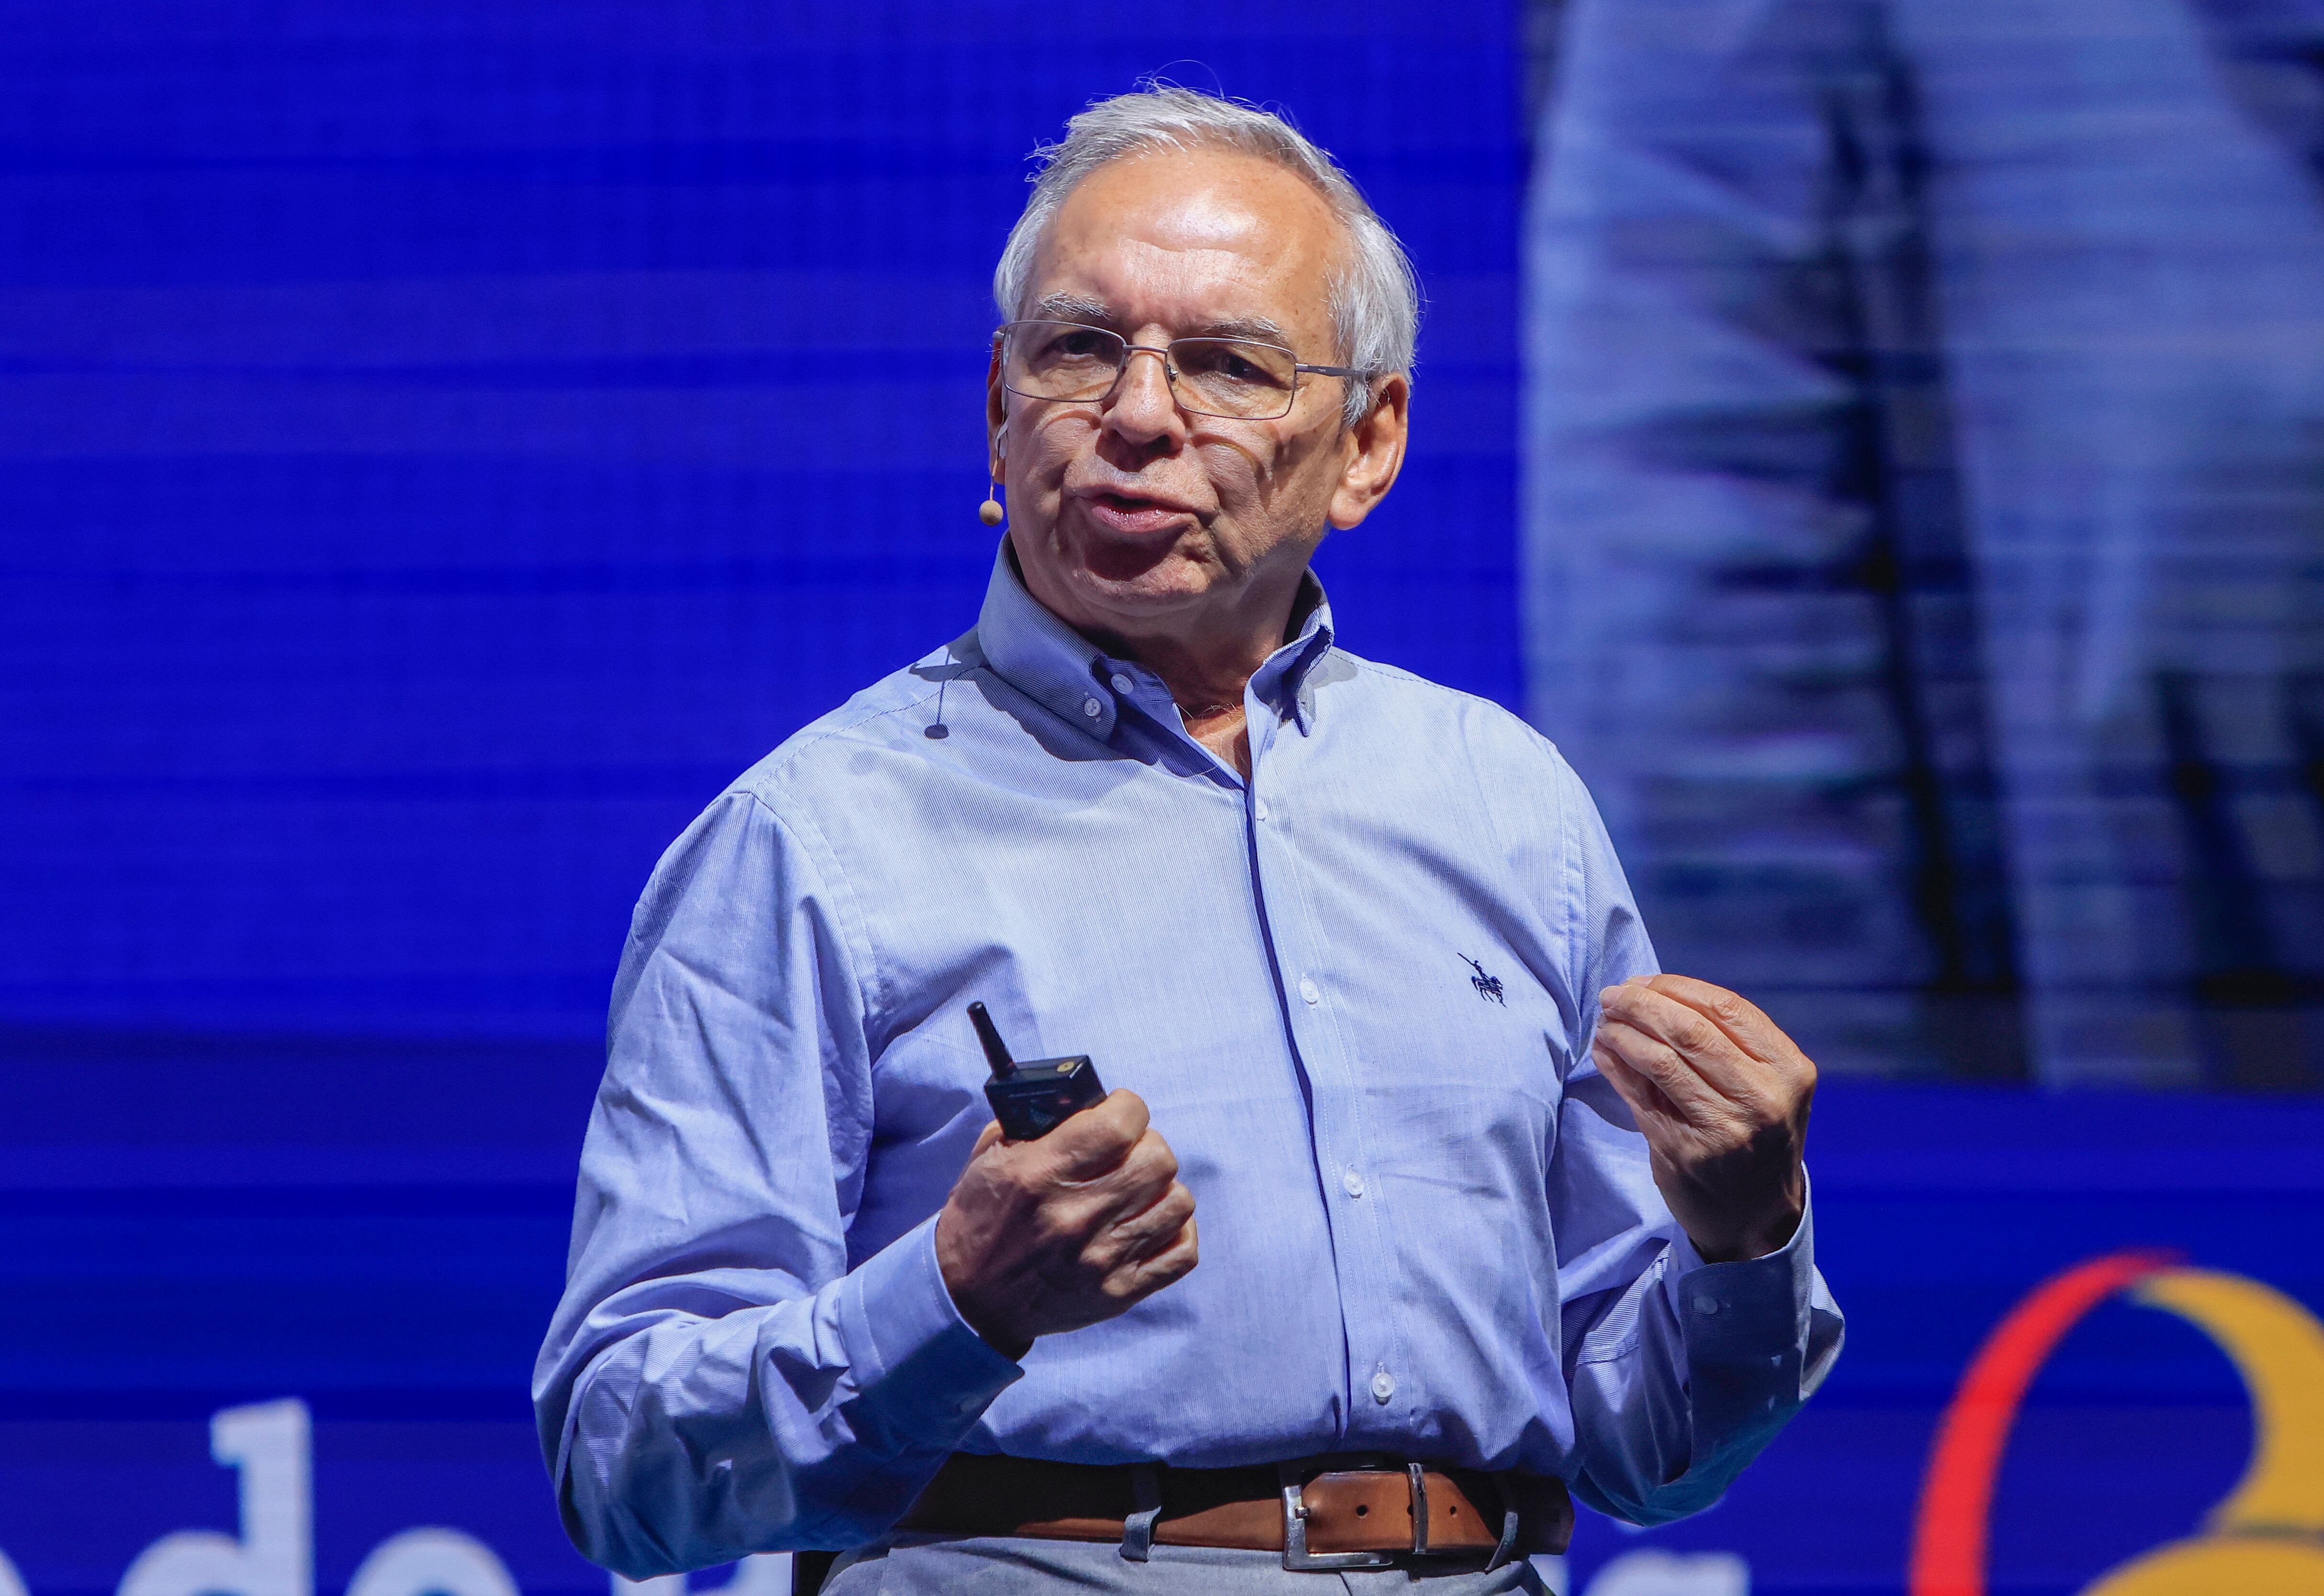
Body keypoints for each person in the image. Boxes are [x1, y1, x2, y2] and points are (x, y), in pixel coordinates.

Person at [533, 86, 1844, 1595]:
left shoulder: (1508, 804)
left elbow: (1652, 1449)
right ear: (999, 408)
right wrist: (953, 1301)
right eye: (1081, 349)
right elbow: (625, 1465)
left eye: (1227, 364)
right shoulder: (810, 840)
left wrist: (1747, 1239)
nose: (1140, 416)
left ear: (1368, 444)